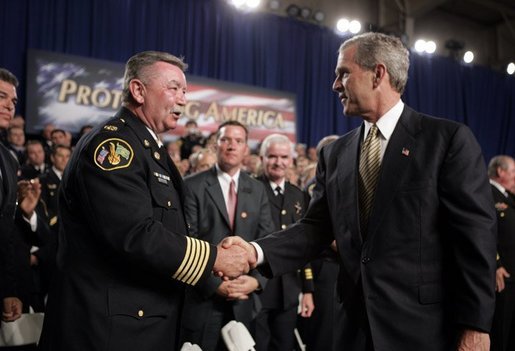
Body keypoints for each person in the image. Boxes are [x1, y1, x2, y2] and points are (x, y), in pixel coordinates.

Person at [223, 32, 497, 351]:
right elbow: (315, 228)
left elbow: (474, 238)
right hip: (353, 327)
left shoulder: (446, 141)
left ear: (378, 74)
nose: (335, 85)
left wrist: (475, 326)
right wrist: (254, 252)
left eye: (343, 73)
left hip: (423, 330)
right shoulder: (335, 153)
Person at [37, 51, 252, 351]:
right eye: (173, 88)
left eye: (185, 91)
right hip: (107, 330)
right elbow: (134, 233)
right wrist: (214, 258)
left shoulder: (147, 146)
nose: (182, 99)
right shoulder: (115, 146)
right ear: (138, 90)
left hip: (139, 324)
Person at [180, 121, 274, 351]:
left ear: (245, 149)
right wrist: (214, 284)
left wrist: (256, 282)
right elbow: (186, 239)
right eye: (226, 140)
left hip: (244, 302)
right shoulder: (192, 186)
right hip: (203, 300)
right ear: (216, 145)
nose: (232, 146)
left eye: (238, 141)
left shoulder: (258, 189)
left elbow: (267, 239)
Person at [254, 134, 314, 351]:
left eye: (283, 157)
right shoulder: (250, 189)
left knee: (284, 346)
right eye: (272, 156)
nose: (278, 162)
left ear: (291, 160)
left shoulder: (297, 195)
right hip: (258, 287)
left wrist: (307, 289)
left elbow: (304, 244)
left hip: (289, 288)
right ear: (262, 158)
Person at [0, 68, 23, 324]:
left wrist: (8, 288)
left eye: (13, 101)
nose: (9, 106)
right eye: (1, 96)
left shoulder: (8, 157)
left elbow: (6, 232)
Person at [488, 155, 515, 351]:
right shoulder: (485, 191)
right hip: (501, 276)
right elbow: (484, 232)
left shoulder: (508, 196)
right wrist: (495, 264)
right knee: (499, 331)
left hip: (512, 275)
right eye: (513, 172)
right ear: (500, 171)